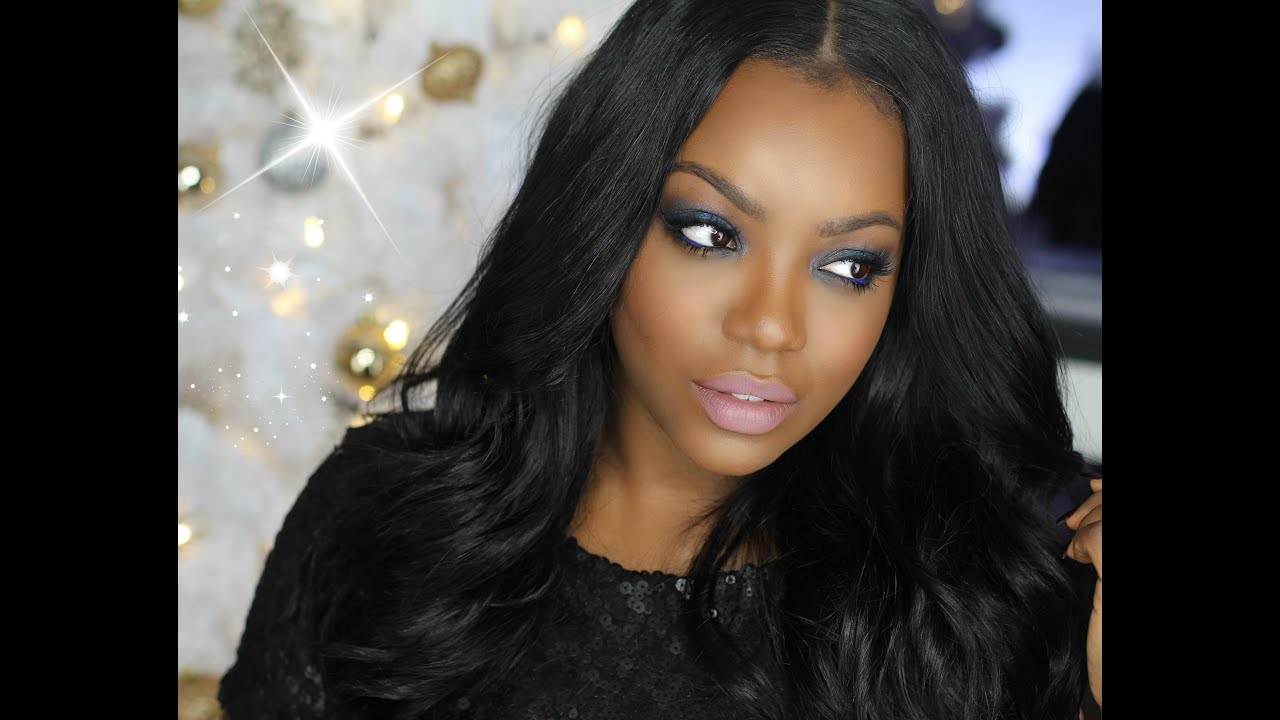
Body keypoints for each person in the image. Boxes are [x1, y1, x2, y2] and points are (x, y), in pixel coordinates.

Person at [218, 0, 1103, 717]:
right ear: (605, 215)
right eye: (710, 234)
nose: (771, 327)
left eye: (849, 267)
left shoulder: (994, 596)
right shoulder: (385, 515)